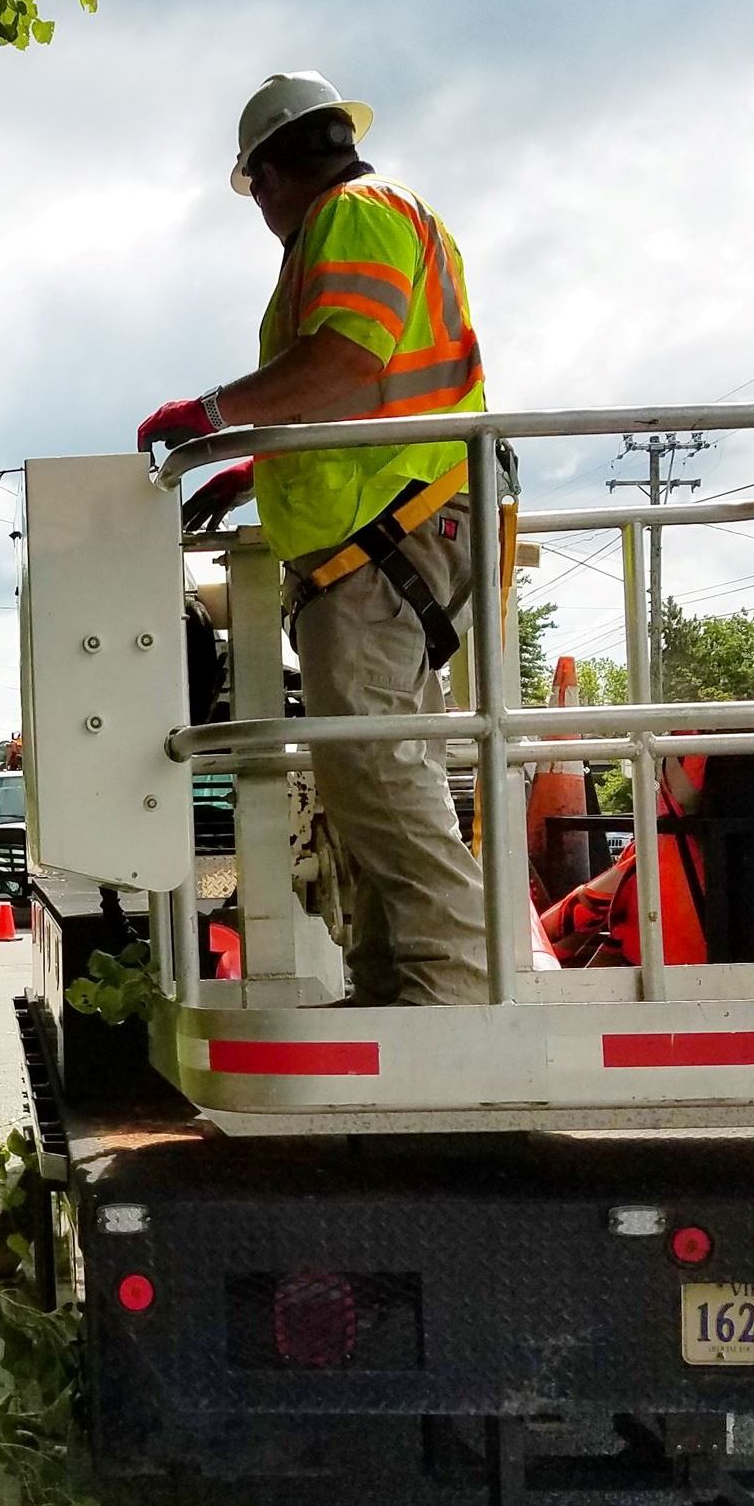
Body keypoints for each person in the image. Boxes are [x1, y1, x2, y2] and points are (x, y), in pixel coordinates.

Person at [137, 70, 488, 1005]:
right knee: (366, 777)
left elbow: (344, 359)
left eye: (254, 189)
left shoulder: (355, 213)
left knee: (378, 774)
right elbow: (364, 387)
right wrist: (261, 462)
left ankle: (453, 998)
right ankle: (394, 989)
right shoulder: (381, 216)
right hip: (395, 530)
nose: (259, 210)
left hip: (389, 536)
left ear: (277, 170)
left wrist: (210, 414)